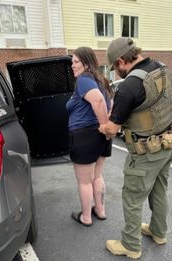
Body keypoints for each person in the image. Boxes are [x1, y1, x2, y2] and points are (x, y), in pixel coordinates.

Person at [99, 37, 172, 258]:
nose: (116, 74)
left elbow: (112, 129)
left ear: (120, 62)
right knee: (159, 190)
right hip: (168, 144)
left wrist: (101, 126)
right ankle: (158, 232)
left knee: (132, 198)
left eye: (114, 69)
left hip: (146, 154)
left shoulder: (130, 85)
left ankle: (130, 246)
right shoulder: (163, 69)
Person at [66, 46, 113, 226]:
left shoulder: (84, 80)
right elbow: (110, 104)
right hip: (99, 138)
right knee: (97, 175)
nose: (73, 65)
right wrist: (106, 128)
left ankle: (86, 217)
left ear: (87, 62)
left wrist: (104, 126)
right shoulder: (101, 80)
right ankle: (100, 211)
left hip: (85, 136)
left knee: (84, 181)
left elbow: (98, 100)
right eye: (72, 62)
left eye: (76, 61)